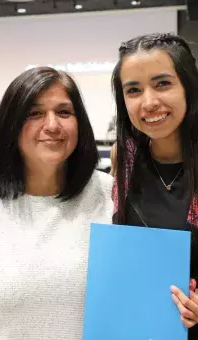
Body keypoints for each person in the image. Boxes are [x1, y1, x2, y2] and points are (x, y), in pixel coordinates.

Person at [0, 67, 113, 340]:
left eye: (64, 112)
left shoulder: (112, 194)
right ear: (11, 125)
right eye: (34, 113)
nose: (52, 125)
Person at [111, 33, 198, 338]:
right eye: (133, 90)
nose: (148, 102)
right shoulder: (125, 159)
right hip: (142, 327)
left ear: (188, 86)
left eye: (162, 83)